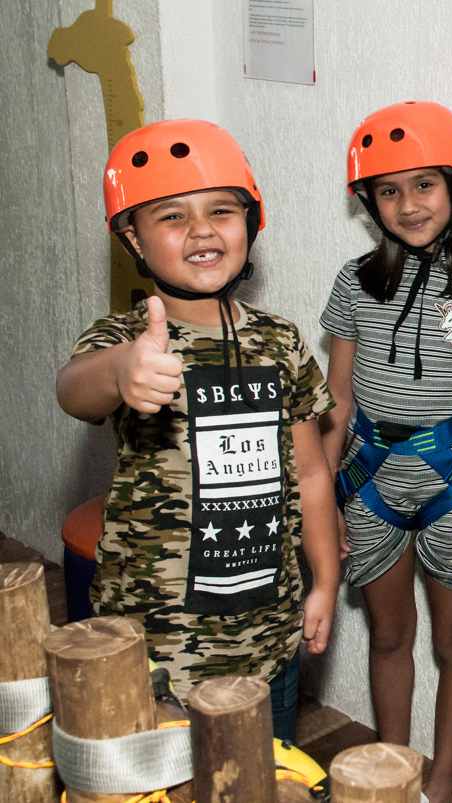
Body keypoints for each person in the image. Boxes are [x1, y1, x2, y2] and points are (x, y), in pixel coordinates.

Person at [55, 119, 340, 742]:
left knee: (266, 776)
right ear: (131, 237)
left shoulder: (280, 340)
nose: (203, 230)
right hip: (157, 640)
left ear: (250, 221)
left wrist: (325, 581)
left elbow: (313, 473)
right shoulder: (128, 340)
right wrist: (121, 370)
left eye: (221, 210)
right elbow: (75, 389)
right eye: (172, 217)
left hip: (269, 633)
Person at [319, 102, 452, 803]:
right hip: (369, 479)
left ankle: (439, 784)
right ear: (368, 201)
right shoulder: (354, 282)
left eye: (424, 185)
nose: (407, 204)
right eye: (388, 190)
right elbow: (337, 400)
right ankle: (392, 769)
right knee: (387, 635)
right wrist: (324, 504)